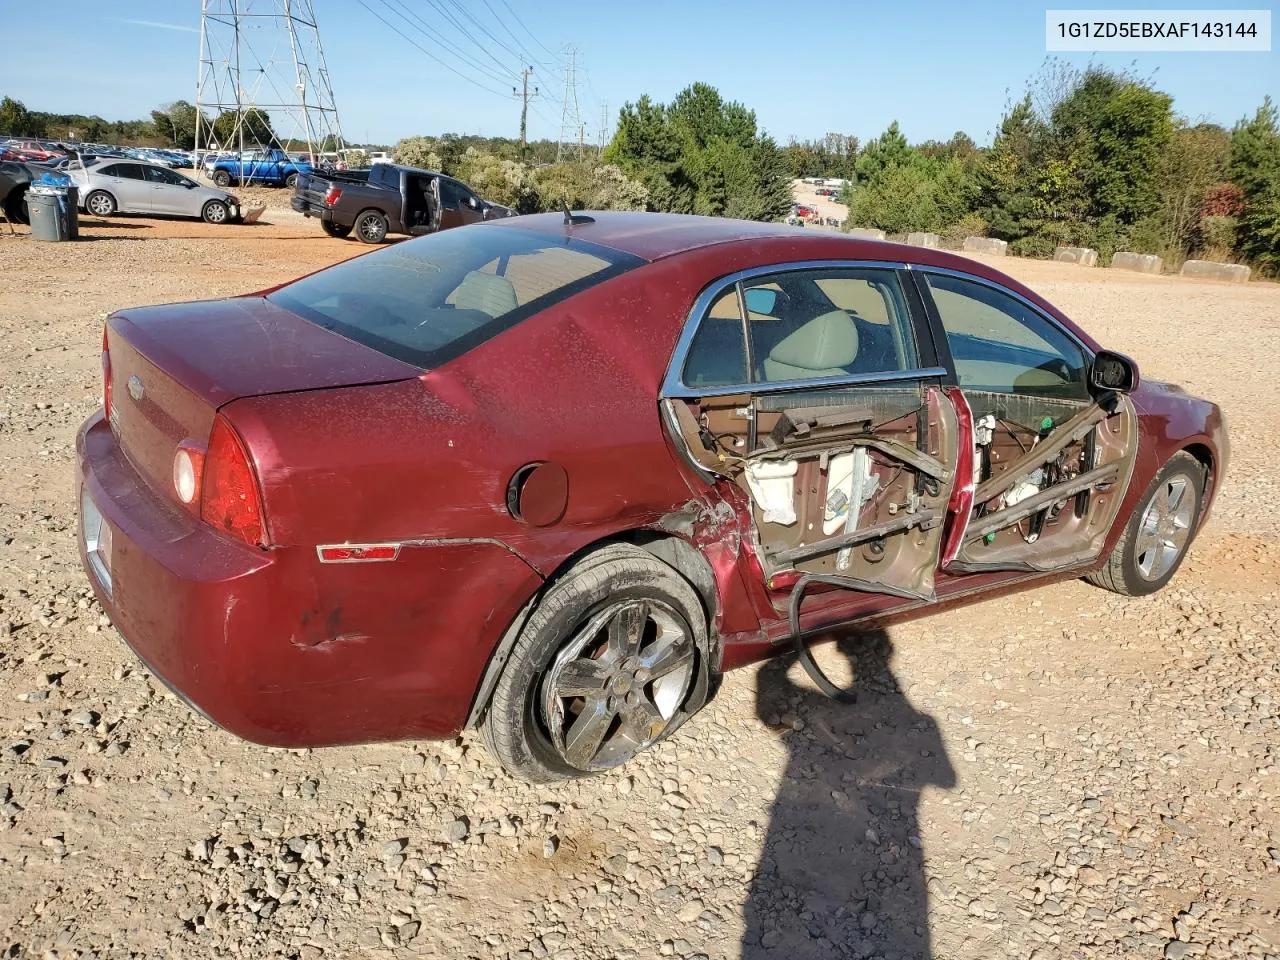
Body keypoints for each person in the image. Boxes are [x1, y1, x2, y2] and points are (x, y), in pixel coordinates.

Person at [744, 629, 956, 959]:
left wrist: (788, 653)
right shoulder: (921, 722)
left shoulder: (916, 721)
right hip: (887, 851)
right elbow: (946, 778)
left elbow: (769, 703)